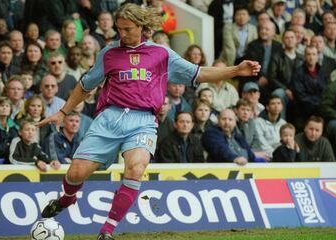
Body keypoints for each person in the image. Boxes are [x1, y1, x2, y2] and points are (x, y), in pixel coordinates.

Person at [38, 4, 260, 239]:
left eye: (127, 29)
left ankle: (107, 230)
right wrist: (62, 113)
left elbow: (200, 72)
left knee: (135, 168)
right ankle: (67, 198)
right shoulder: (109, 53)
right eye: (119, 29)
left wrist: (236, 69)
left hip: (143, 121)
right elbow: (85, 86)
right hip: (109, 118)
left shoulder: (162, 54)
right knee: (75, 174)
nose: (121, 34)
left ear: (142, 27)